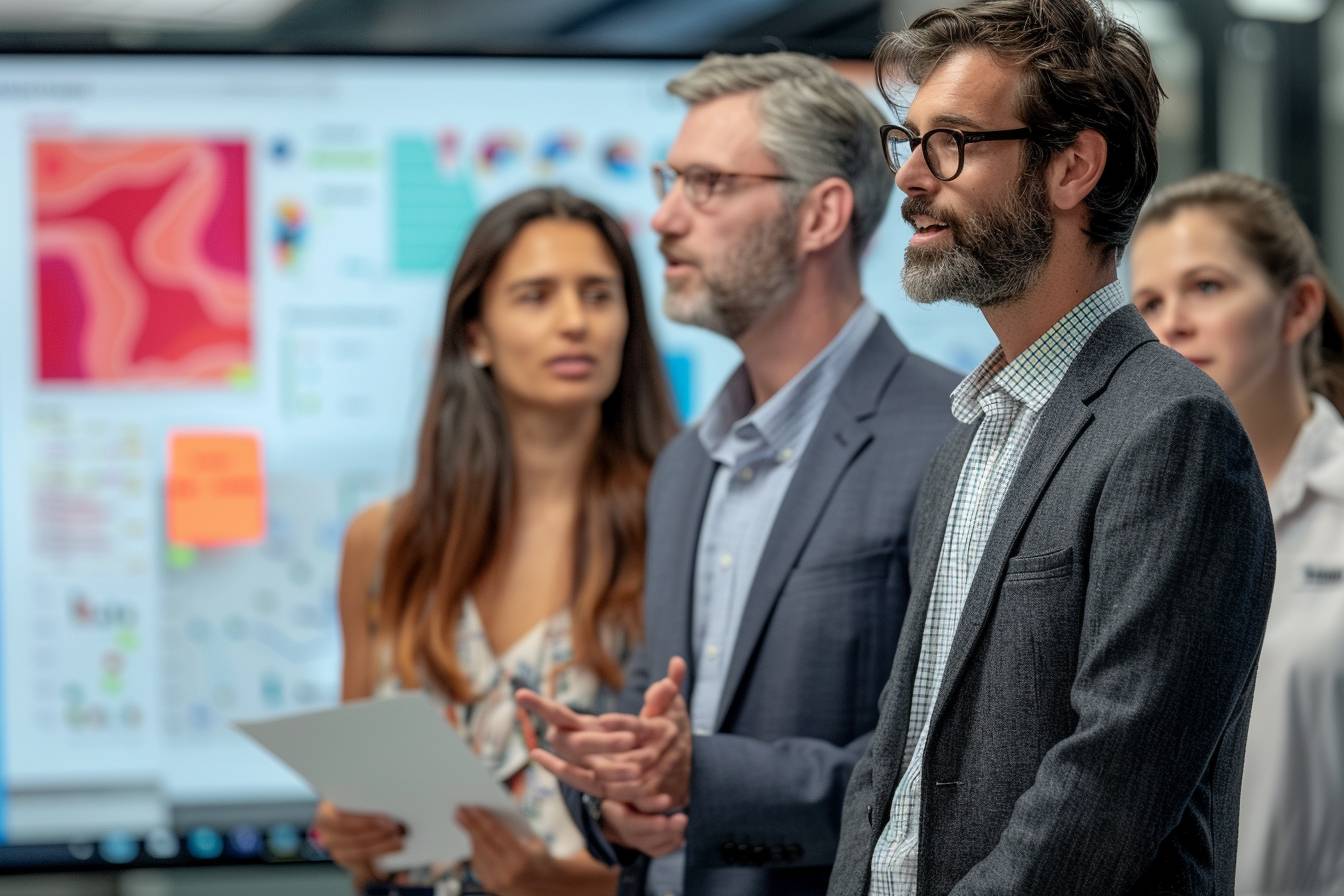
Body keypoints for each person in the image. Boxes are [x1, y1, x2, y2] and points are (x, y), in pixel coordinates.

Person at [828, 2, 1276, 894]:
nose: (912, 176)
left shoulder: (1173, 429)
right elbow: (895, 759)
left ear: (1073, 167)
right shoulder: (969, 436)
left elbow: (1105, 790)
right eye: (907, 142)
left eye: (950, 141)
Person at [515, 52, 960, 896]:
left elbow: (947, 768)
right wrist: (613, 800)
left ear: (820, 214)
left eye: (708, 184)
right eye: (668, 181)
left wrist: (704, 783)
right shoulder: (686, 464)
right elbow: (650, 708)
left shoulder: (947, 438)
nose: (663, 221)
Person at [310, 186, 678, 895]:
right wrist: (346, 831)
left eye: (599, 296)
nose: (575, 322)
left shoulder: (680, 524)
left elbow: (700, 846)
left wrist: (551, 883)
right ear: (475, 335)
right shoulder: (383, 545)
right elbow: (355, 815)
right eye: (536, 296)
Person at [1130, 171, 1344, 896]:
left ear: (1298, 308)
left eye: (1208, 287)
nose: (1173, 324)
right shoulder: (1132, 518)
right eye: (1149, 303)